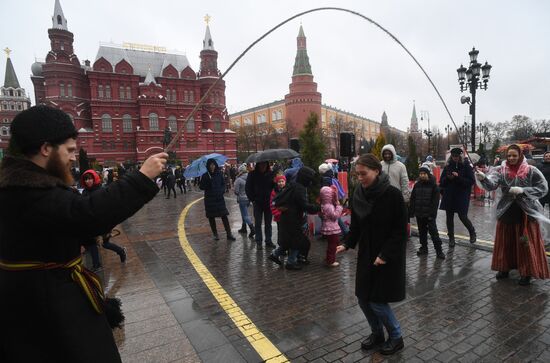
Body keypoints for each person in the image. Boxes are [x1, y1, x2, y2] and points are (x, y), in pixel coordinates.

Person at [0, 105, 167, 362]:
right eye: (68, 150)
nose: (72, 158)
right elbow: (86, 214)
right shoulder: (27, 191)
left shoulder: (23, 184)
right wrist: (142, 177)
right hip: (49, 312)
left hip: (43, 300)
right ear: (46, 149)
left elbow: (57, 226)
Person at [336, 154, 407, 355]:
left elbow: (400, 230)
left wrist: (385, 254)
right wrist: (347, 243)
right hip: (367, 254)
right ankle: (377, 334)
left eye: (363, 174)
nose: (360, 178)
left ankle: (396, 337)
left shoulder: (392, 195)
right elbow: (357, 225)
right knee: (363, 297)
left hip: (386, 257)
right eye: (357, 174)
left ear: (376, 170)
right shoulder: (359, 192)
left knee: (377, 300)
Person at [476, 144, 550, 286]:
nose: (511, 158)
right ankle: (504, 268)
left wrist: (523, 190)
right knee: (505, 243)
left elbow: (543, 188)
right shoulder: (501, 170)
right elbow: (491, 184)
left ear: (520, 155)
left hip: (526, 213)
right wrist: (483, 178)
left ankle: (526, 272)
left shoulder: (531, 170)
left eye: (514, 155)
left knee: (525, 244)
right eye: (509, 155)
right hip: (506, 212)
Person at [272, 167, 320, 270]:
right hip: (293, 218)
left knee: (289, 240)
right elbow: (304, 205)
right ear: (305, 178)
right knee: (296, 241)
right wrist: (318, 208)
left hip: (288, 217)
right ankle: (291, 262)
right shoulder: (300, 188)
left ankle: (275, 254)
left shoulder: (293, 185)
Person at [81, 169, 128, 270]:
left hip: (103, 222)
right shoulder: (85, 192)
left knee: (105, 244)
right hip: (91, 223)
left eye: (89, 179)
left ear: (94, 179)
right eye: (85, 179)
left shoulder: (101, 190)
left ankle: (120, 251)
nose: (87, 181)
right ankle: (97, 265)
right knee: (92, 243)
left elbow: (108, 207)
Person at [439, 147, 477, 247]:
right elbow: (441, 181)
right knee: (449, 217)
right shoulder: (448, 166)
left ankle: (472, 232)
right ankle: (451, 237)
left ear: (460, 156)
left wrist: (458, 177)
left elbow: (471, 181)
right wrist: (448, 178)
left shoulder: (466, 166)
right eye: (453, 156)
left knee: (463, 216)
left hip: (462, 195)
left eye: (457, 156)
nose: (455, 158)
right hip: (449, 194)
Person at [410, 166, 445, 259]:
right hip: (419, 214)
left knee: (434, 234)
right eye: (420, 174)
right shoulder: (417, 185)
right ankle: (424, 248)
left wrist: (432, 215)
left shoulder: (433, 186)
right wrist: (412, 211)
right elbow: (413, 198)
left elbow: (435, 202)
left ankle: (439, 251)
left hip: (429, 215)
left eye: (424, 174)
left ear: (428, 174)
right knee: (422, 233)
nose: (422, 175)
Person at [199, 159, 236, 241]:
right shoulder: (205, 175)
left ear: (215, 165)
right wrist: (208, 182)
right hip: (209, 199)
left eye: (213, 165)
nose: (212, 166)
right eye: (210, 165)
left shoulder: (219, 174)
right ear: (208, 166)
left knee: (224, 215)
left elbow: (223, 184)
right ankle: (215, 234)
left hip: (219, 198)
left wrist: (222, 191)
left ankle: (229, 234)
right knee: (211, 217)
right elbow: (201, 187)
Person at [245, 161, 275, 249]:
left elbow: (274, 187)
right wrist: (252, 199)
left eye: (265, 164)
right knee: (258, 223)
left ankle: (268, 240)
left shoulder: (270, 174)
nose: (263, 166)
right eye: (261, 164)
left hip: (268, 202)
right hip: (257, 202)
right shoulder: (252, 174)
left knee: (268, 223)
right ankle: (259, 241)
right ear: (258, 165)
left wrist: (274, 181)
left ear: (267, 165)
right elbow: (248, 188)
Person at [320, 185, 343, 267]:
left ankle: (329, 257)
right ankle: (331, 261)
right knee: (332, 245)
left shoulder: (323, 205)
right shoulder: (329, 206)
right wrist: (339, 207)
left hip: (328, 227)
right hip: (332, 228)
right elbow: (335, 216)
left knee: (332, 243)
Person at [234, 163, 255, 237]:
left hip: (242, 198)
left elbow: (236, 191)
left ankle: (252, 228)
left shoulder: (238, 179)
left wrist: (238, 193)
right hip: (248, 198)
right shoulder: (249, 177)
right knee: (244, 213)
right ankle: (244, 228)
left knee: (245, 215)